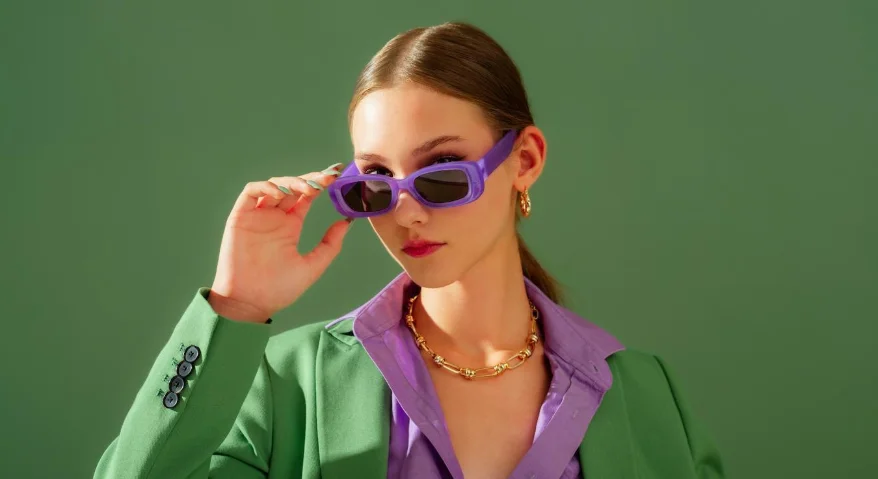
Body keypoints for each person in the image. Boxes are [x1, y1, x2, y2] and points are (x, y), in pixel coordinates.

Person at [94, 21, 724, 479]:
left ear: (524, 160)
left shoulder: (643, 393)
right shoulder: (289, 384)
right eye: (373, 185)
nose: (407, 211)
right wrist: (234, 306)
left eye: (443, 173)